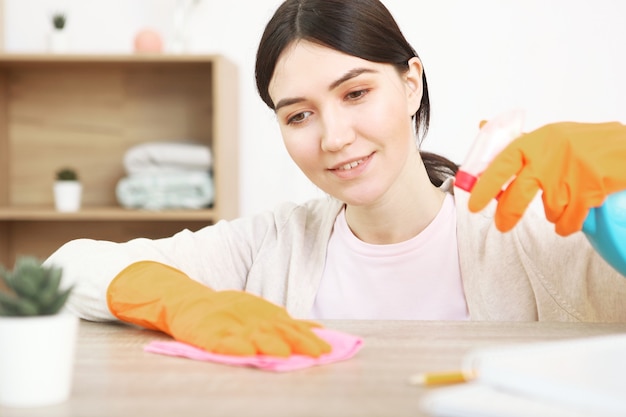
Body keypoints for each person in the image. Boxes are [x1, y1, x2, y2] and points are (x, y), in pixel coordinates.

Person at [44, 0, 626, 358]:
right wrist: (178, 302)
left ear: (411, 83)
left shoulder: (535, 237)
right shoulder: (273, 246)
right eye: (298, 114)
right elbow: (65, 269)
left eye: (356, 93)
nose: (333, 137)